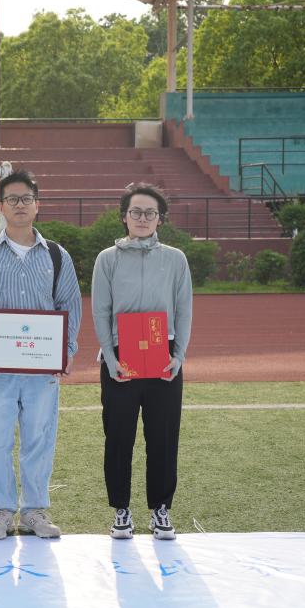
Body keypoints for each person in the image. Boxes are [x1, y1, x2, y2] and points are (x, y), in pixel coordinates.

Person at [0, 169, 82, 540]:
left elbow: (69, 304)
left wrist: (65, 351)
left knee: (39, 438)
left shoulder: (57, 255)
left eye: (26, 199)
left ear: (37, 205)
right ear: (0, 206)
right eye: (12, 199)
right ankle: (1, 510)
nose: (20, 205)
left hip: (41, 368)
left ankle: (34, 510)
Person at [91, 183, 193, 541]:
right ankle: (121, 510)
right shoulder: (107, 259)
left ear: (160, 219)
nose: (143, 218)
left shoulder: (175, 259)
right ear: (124, 217)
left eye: (151, 213)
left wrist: (179, 355)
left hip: (163, 358)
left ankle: (160, 509)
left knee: (163, 436)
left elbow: (184, 309)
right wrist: (110, 356)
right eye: (136, 212)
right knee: (119, 436)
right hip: (120, 358)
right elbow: (101, 310)